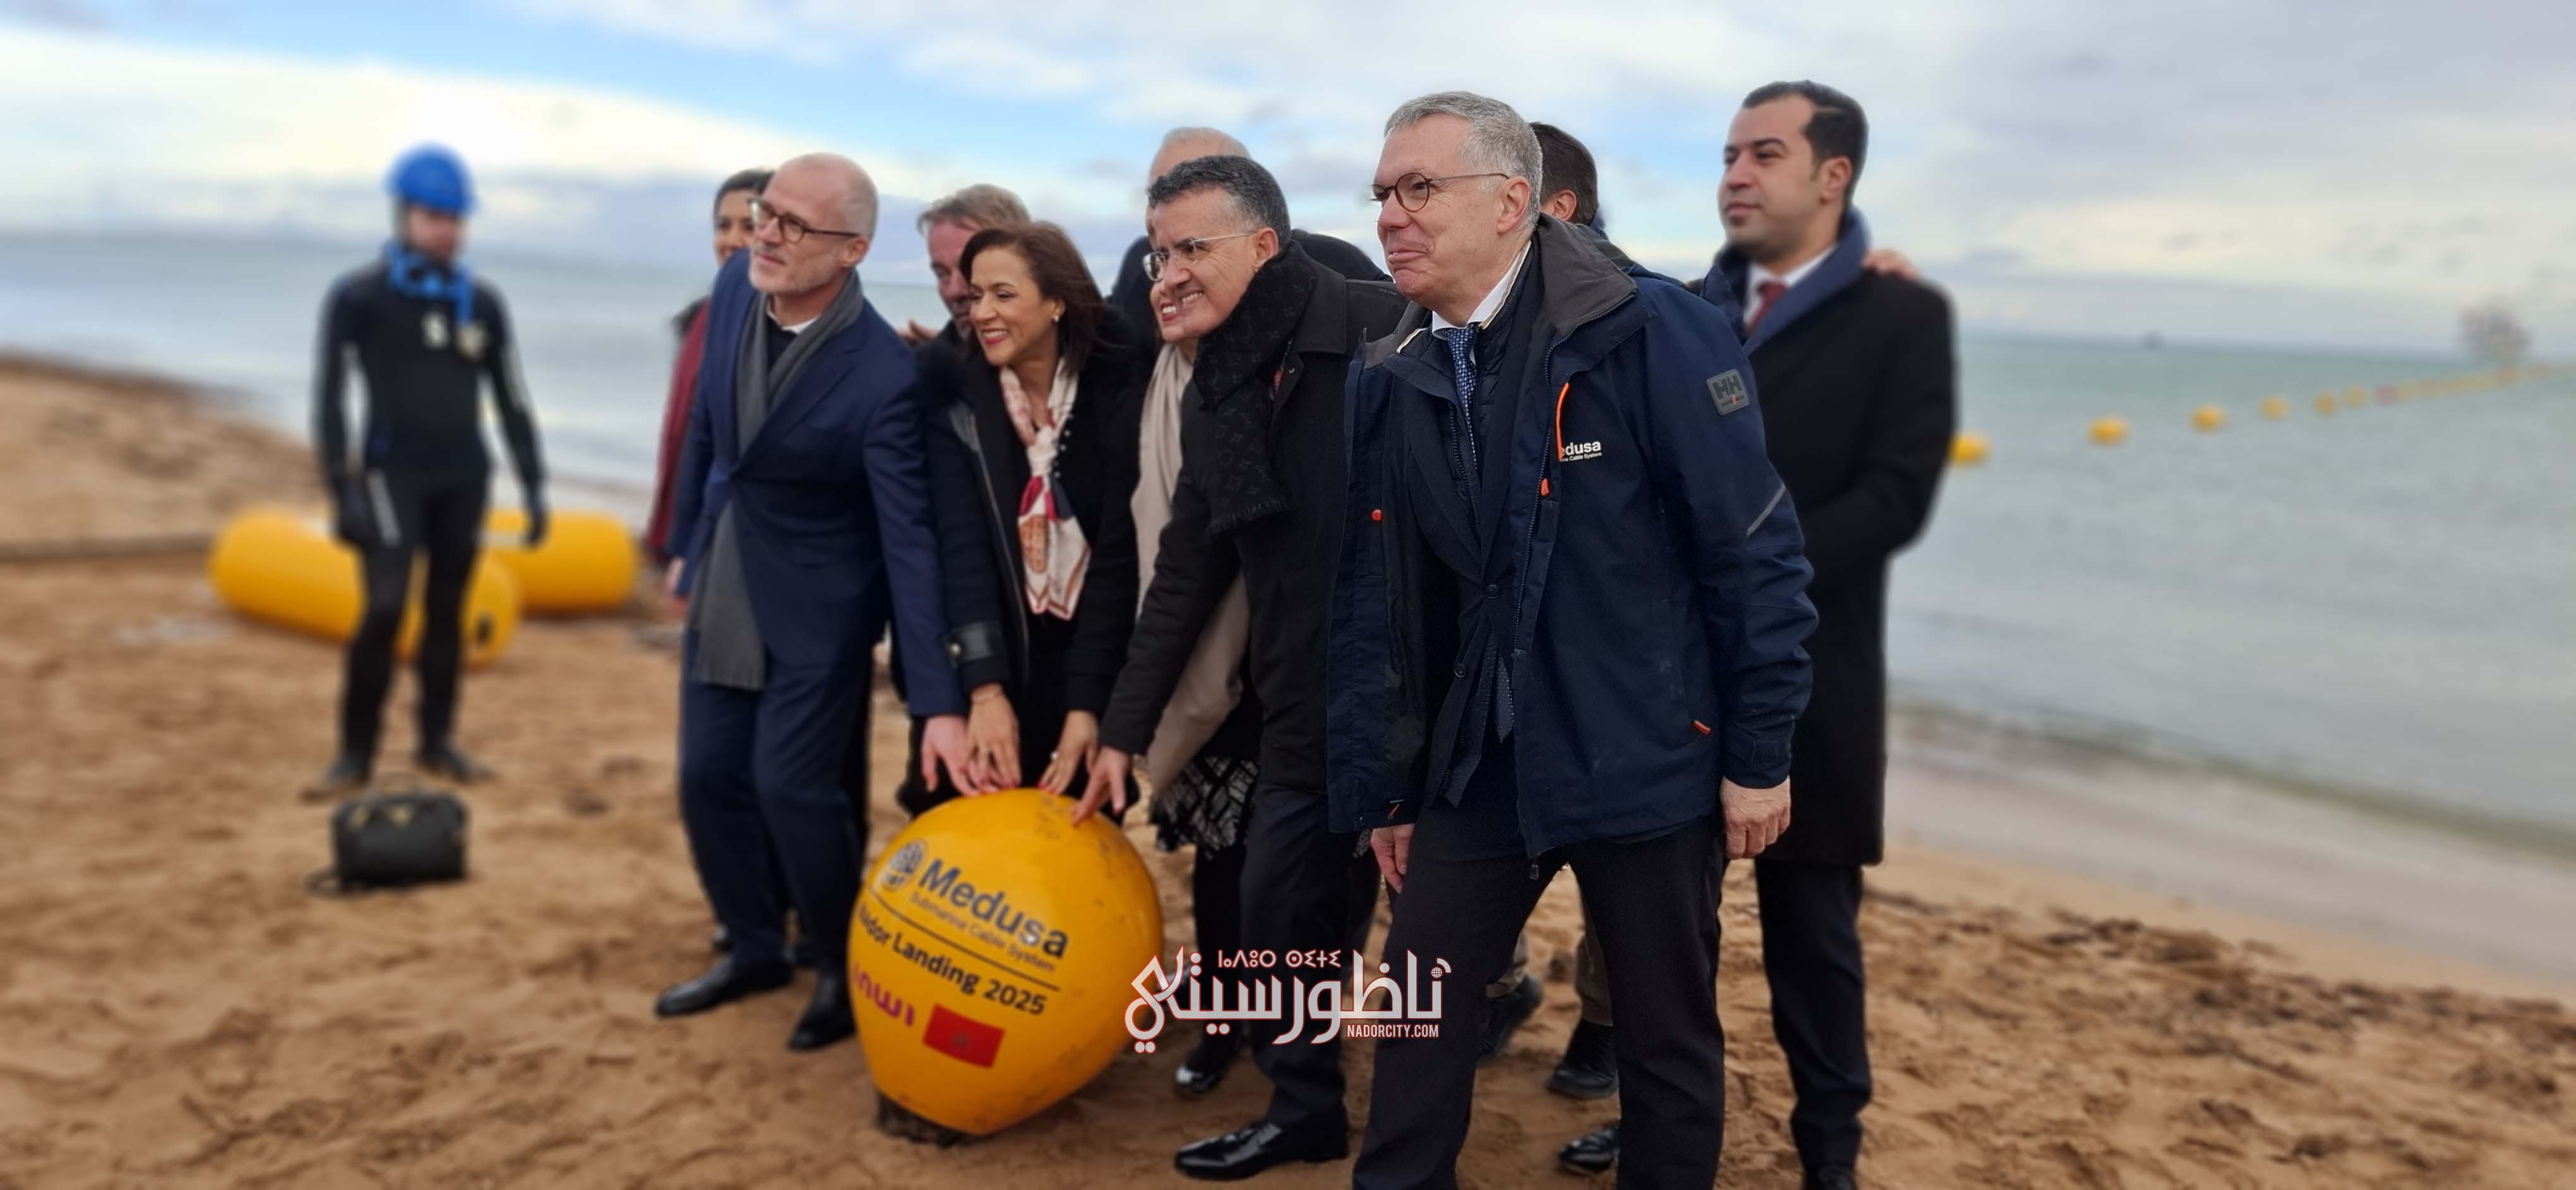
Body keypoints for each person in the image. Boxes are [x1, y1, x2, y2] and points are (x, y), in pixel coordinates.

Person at [1329, 92, 1816, 1189]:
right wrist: (1390, 785)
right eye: (1383, 194)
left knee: (1664, 1036)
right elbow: (1385, 599)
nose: (1392, 216)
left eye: (1420, 189)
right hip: (1482, 756)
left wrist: (1759, 754)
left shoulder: (1651, 328)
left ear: (1513, 201)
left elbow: (1753, 555)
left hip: (1645, 751)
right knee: (1417, 1012)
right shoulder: (1393, 362)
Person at [1559, 83, 1956, 1190]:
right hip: (1672, 685)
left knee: (1813, 944)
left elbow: (1895, 500)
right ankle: (1648, 1123)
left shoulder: (1903, 316)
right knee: (1661, 940)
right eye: (1729, 154)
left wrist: (1743, 563)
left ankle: (1830, 1154)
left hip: (1818, 679)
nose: (1734, 174)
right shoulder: (1684, 306)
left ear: (1834, 175)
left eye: (1764, 154)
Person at [1080, 154, 1407, 1180]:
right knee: (1276, 909)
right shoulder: (1216, 383)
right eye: (1157, 252)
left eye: (1192, 248)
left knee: (1432, 939)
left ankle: (1416, 1131)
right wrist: (1123, 733)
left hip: (1422, 702)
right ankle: (1304, 1107)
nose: (1166, 272)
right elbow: (1186, 570)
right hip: (1300, 702)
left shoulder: (1386, 331)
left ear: (1265, 245)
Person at [652, 153, 972, 1054]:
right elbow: (708, 425)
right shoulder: (733, 286)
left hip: (822, 603)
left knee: (792, 788)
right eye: (767, 212)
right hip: (727, 567)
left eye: (794, 224)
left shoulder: (883, 374)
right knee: (706, 777)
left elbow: (909, 540)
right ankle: (753, 945)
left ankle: (835, 962)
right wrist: (686, 542)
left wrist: (938, 699)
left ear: (852, 250)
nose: (767, 234)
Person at [311, 144, 546, 794]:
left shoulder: (483, 303)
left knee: (447, 611)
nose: (447, 230)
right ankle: (354, 755)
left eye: (456, 218)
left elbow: (512, 397)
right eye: (434, 216)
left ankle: (437, 743)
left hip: (464, 476)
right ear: (404, 215)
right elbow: (329, 397)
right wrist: (340, 489)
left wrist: (533, 484)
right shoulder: (359, 296)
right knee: (386, 607)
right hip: (391, 477)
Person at [916, 221, 1145, 803]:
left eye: (1003, 294)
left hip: (1094, 669)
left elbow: (1118, 561)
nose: (981, 312)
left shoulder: (1122, 392)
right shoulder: (960, 404)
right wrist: (984, 690)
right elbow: (962, 553)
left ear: (1057, 301)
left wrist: (1087, 706)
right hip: (995, 667)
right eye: (976, 295)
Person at [856, 182, 1030, 825]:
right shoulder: (932, 374)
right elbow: (932, 536)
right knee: (938, 816)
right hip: (952, 662)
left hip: (1045, 671)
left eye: (968, 268)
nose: (955, 289)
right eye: (939, 272)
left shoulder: (1079, 371)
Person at [1106, 128, 1386, 339]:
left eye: (1192, 248)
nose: (1171, 279)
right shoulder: (1139, 271)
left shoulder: (1336, 268)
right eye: (1155, 194)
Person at [648, 168, 772, 565]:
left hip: (741, 535)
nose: (732, 240)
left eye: (750, 226)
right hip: (688, 519)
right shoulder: (700, 318)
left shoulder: (780, 326)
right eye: (723, 226)